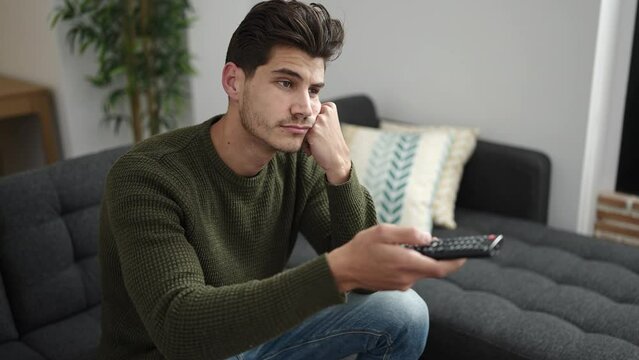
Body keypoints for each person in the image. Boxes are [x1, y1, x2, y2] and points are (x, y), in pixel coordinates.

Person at [97, 1, 466, 359]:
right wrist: (335, 272)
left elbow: (369, 281)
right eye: (286, 83)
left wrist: (341, 169)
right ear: (233, 82)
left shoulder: (295, 161)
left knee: (404, 311)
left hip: (253, 337)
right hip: (177, 352)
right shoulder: (145, 176)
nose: (305, 107)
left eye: (314, 90)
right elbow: (180, 330)